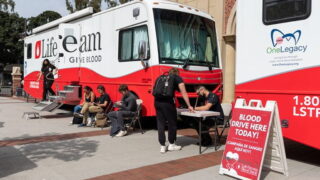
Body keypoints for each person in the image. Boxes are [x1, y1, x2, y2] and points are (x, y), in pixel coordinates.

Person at [154, 68, 194, 154]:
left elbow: (154, 90)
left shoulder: (160, 78)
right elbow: (183, 92)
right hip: (168, 103)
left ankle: (162, 146)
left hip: (157, 102)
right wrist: (189, 105)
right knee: (172, 123)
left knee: (160, 124)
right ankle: (171, 144)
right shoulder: (177, 78)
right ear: (177, 73)